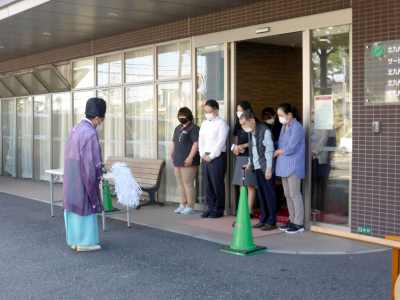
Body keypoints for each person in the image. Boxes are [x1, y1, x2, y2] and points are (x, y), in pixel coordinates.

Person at [62, 97, 106, 251]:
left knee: (73, 204)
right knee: (86, 203)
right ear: (97, 118)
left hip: (71, 174)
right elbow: (90, 162)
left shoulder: (75, 129)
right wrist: (96, 176)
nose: (101, 123)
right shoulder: (90, 133)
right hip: (82, 175)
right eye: (101, 120)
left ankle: (74, 240)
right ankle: (85, 242)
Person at [241, 111, 277, 231]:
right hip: (257, 166)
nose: (243, 127)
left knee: (269, 194)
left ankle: (272, 221)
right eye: (241, 125)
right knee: (261, 195)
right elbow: (253, 150)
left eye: (244, 124)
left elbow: (269, 150)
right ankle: (264, 218)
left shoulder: (264, 130)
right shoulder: (251, 132)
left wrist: (268, 169)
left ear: (252, 120)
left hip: (265, 167)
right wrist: (249, 163)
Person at [274, 103, 305, 234]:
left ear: (289, 115)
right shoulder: (284, 126)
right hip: (283, 165)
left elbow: (290, 148)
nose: (280, 118)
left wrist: (276, 152)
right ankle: (291, 220)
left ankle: (299, 222)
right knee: (287, 194)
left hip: (294, 164)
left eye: (281, 115)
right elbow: (280, 144)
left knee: (294, 194)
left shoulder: (296, 127)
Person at [199, 99, 229, 218]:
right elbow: (201, 139)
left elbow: (221, 142)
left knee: (217, 183)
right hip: (205, 155)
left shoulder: (222, 124)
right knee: (208, 184)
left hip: (217, 157)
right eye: (205, 111)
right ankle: (210, 207)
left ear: (216, 111)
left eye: (209, 111)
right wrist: (202, 153)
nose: (206, 114)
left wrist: (211, 156)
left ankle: (219, 208)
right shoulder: (204, 123)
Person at [169, 107, 200, 214]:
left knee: (188, 184)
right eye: (179, 116)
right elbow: (173, 142)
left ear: (189, 116)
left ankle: (190, 206)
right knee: (180, 184)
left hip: (188, 161)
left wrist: (190, 157)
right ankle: (182, 204)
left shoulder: (194, 128)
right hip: (177, 160)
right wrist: (170, 154)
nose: (181, 118)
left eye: (183, 116)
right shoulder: (178, 128)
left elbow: (196, 143)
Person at [232, 101, 258, 218]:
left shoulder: (253, 121)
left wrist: (245, 146)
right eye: (237, 110)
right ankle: (242, 208)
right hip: (240, 156)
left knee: (250, 184)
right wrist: (235, 148)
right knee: (240, 183)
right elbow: (236, 139)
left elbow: (256, 139)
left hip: (250, 155)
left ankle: (249, 210)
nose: (238, 112)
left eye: (241, 110)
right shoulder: (238, 124)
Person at [262, 107, 284, 211]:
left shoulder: (281, 126)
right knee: (270, 180)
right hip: (268, 156)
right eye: (265, 117)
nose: (267, 119)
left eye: (269, 117)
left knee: (278, 181)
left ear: (274, 115)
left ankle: (278, 204)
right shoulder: (264, 127)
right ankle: (270, 205)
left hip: (279, 155)